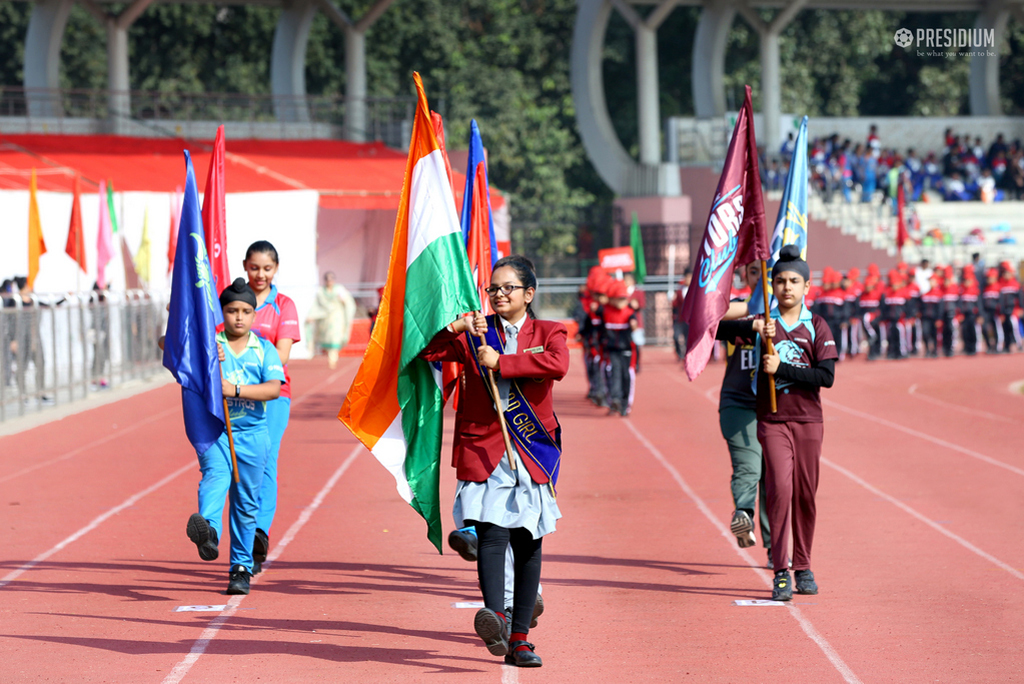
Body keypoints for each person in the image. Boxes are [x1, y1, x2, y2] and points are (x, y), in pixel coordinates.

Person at [420, 255, 568, 668]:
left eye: (508, 288)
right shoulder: (476, 331)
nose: (499, 295)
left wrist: (501, 362)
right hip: (484, 450)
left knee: (528, 543)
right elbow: (425, 350)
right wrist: (457, 327)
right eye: (493, 288)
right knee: (491, 536)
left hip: (532, 451)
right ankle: (498, 620)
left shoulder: (550, 331)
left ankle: (521, 638)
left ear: (529, 293)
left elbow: (557, 364)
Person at [185, 278, 284, 595]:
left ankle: (240, 567)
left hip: (252, 434)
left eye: (244, 311)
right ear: (222, 313)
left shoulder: (263, 349)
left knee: (245, 504)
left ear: (254, 316)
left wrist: (235, 390)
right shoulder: (211, 345)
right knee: (215, 475)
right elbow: (170, 343)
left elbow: (273, 388)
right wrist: (206, 355)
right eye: (231, 311)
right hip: (217, 431)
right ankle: (208, 531)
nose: (238, 317)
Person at [757, 246, 838, 601]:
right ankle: (780, 570)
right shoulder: (764, 323)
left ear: (807, 287)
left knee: (805, 494)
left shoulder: (816, 325)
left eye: (794, 281)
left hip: (808, 420)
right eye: (779, 281)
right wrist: (756, 330)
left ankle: (803, 566)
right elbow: (714, 330)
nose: (786, 287)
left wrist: (782, 369)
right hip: (773, 420)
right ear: (771, 285)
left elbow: (826, 376)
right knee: (780, 491)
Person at [242, 241, 301, 572]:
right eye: (254, 268)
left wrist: (244, 364)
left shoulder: (284, 305)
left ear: (275, 269)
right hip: (236, 397)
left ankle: (258, 533)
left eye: (266, 268)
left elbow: (281, 356)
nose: (260, 274)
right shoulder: (234, 301)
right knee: (239, 467)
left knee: (265, 461)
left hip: (274, 395)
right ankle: (244, 536)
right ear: (244, 266)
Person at [714, 261, 771, 565]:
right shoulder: (738, 309)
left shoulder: (793, 316)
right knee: (749, 465)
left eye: (769, 271)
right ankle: (744, 514)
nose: (762, 276)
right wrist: (752, 319)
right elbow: (709, 320)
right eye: (754, 271)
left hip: (776, 405)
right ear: (745, 276)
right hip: (738, 403)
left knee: (774, 478)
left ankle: (777, 549)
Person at [602, 279, 638, 417]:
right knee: (612, 373)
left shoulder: (629, 312)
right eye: (618, 299)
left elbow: (633, 320)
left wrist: (633, 324)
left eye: (624, 299)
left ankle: (624, 404)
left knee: (625, 375)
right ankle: (614, 400)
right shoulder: (605, 311)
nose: (622, 302)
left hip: (626, 349)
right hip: (611, 348)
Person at [307, 272, 357, 369]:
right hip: (325, 319)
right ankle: (329, 356)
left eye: (331, 279)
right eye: (328, 279)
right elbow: (317, 305)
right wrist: (312, 315)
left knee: (335, 337)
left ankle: (333, 359)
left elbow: (348, 302)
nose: (330, 281)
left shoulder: (340, 290)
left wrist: (343, 301)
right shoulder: (321, 292)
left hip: (337, 318)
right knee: (327, 339)